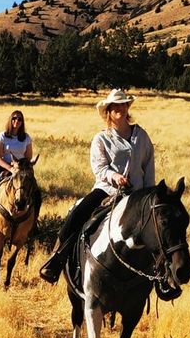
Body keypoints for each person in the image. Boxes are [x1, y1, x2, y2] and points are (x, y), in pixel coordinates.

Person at [39, 88, 154, 283]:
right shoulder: (101, 138)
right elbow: (99, 168)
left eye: (123, 104)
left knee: (162, 226)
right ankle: (58, 260)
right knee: (77, 215)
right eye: (115, 105)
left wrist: (149, 194)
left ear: (128, 107)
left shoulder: (141, 136)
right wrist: (114, 176)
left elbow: (148, 165)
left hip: (138, 194)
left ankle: (163, 279)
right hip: (107, 190)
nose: (120, 108)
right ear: (108, 111)